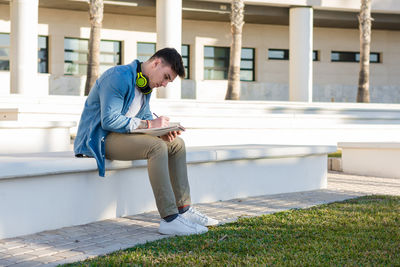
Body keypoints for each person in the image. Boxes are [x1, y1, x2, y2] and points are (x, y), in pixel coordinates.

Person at [74, 47, 218, 236]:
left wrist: (161, 130)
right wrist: (150, 124)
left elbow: (142, 116)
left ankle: (184, 209)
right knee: (156, 148)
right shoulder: (117, 77)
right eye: (166, 77)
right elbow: (109, 120)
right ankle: (169, 219)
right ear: (156, 63)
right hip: (99, 138)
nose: (165, 84)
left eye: (169, 81)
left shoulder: (145, 85)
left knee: (176, 144)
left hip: (123, 136)